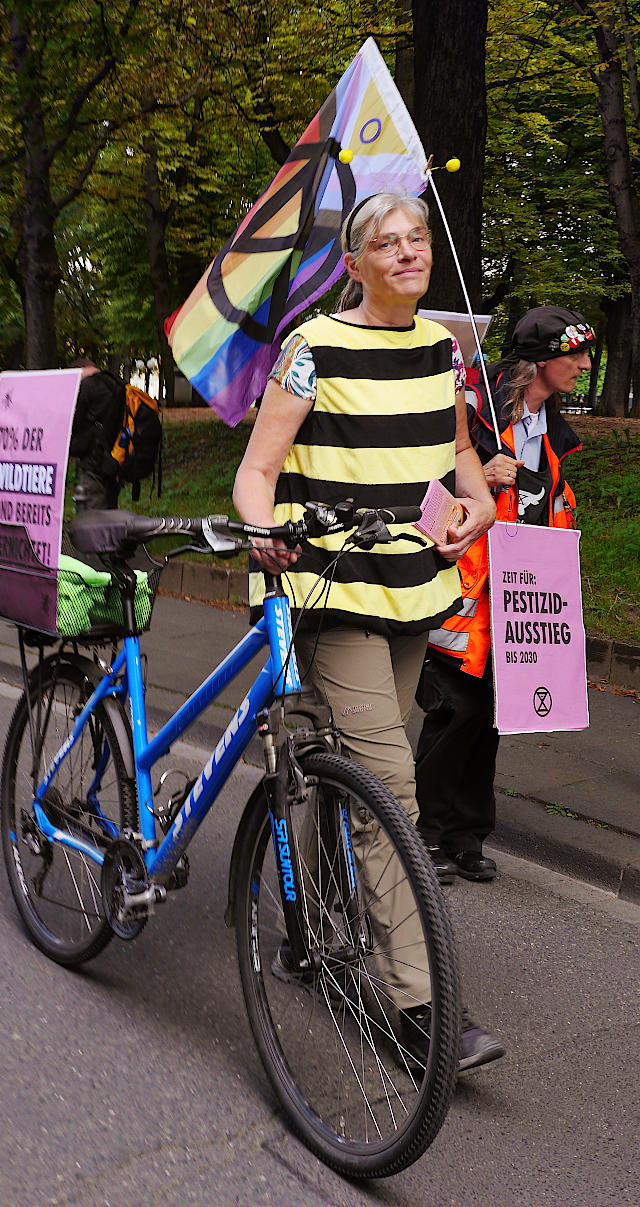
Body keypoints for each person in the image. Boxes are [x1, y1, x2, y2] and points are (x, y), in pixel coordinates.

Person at [233, 191, 504, 1071]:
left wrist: (477, 504)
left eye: (417, 237)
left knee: (352, 772)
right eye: (385, 242)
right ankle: (422, 1001)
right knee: (388, 780)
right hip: (332, 590)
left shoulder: (441, 349)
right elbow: (257, 470)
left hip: (412, 590)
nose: (405, 251)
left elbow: (457, 453)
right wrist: (263, 526)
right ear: (354, 265)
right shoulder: (313, 348)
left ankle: (309, 926)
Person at [415, 305, 594, 883]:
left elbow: (550, 510)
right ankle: (426, 837)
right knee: (452, 717)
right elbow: (421, 500)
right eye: (575, 354)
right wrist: (472, 480)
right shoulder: (473, 418)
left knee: (492, 720)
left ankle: (468, 836)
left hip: (517, 606)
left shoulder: (551, 432)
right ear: (541, 361)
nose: (585, 365)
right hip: (464, 604)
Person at [69, 359, 125, 509]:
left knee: (92, 515)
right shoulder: (115, 383)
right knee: (111, 509)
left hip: (94, 460)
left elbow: (74, 422)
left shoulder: (88, 385)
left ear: (79, 370)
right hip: (115, 457)